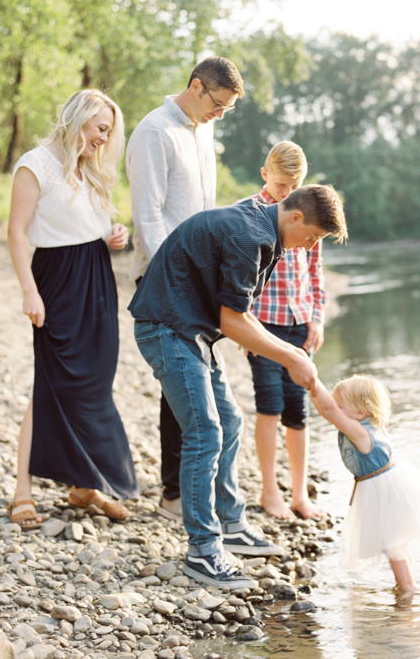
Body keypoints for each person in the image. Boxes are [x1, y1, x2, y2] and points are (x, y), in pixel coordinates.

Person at [129, 185, 348, 590]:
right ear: (295, 217)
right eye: (313, 237)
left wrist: (292, 354)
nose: (308, 247)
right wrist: (293, 357)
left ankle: (230, 525)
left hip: (192, 330)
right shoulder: (252, 237)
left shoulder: (267, 232)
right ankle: (203, 552)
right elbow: (233, 322)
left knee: (229, 421)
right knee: (205, 431)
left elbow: (239, 315)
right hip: (166, 327)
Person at [6, 89, 138, 530]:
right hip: (56, 282)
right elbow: (17, 232)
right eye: (101, 128)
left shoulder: (91, 170)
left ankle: (84, 486)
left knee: (95, 385)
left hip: (97, 281)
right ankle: (21, 492)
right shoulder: (35, 163)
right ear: (79, 118)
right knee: (50, 382)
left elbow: (90, 227)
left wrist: (113, 235)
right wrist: (29, 290)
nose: (104, 138)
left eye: (108, 131)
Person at [127, 56, 244, 524]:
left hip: (198, 277)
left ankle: (186, 491)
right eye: (218, 104)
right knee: (179, 388)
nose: (221, 114)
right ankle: (175, 494)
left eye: (227, 109)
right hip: (165, 278)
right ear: (196, 87)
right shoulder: (155, 132)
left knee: (189, 388)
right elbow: (149, 216)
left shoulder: (203, 129)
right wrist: (177, 277)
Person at [308, 374, 420, 596]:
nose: (334, 410)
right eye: (335, 404)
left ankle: (408, 588)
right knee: (396, 541)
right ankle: (407, 584)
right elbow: (329, 410)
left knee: (392, 543)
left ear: (360, 412)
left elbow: (328, 411)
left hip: (386, 491)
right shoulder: (367, 424)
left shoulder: (360, 432)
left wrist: (312, 382)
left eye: (340, 406)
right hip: (386, 486)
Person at [240, 141, 325, 520]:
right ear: (265, 175)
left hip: (299, 322)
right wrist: (246, 331)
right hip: (263, 325)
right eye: (281, 186)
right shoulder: (252, 214)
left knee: (297, 409)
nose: (288, 195)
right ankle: (269, 491)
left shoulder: (309, 215)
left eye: (295, 186)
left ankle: (299, 493)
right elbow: (242, 278)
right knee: (269, 406)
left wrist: (317, 317)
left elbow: (314, 272)